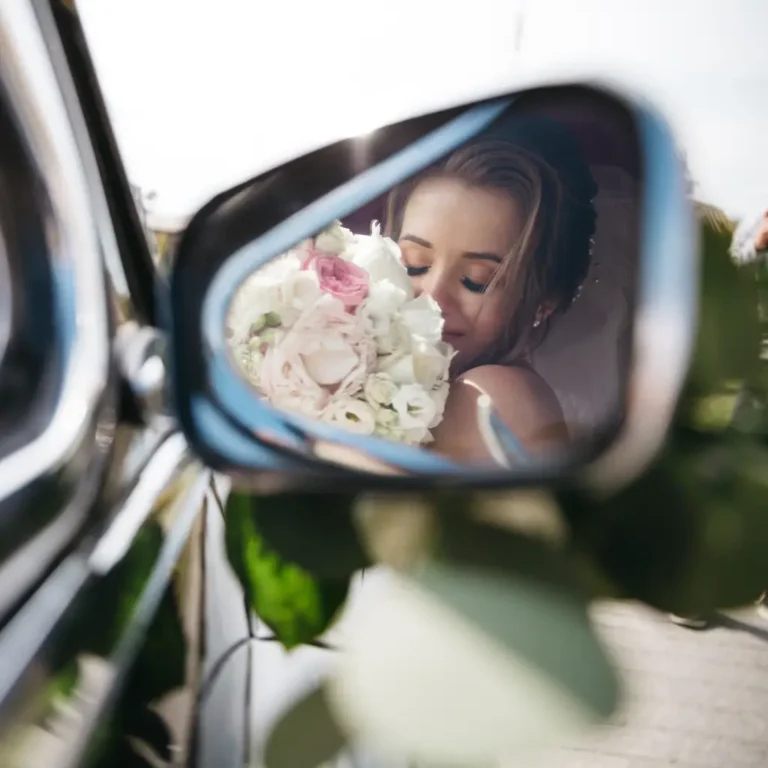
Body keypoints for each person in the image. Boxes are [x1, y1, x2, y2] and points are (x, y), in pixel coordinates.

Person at [384, 134, 598, 465]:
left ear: (544, 301)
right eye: (414, 265)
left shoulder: (489, 394)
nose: (433, 298)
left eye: (476, 281)